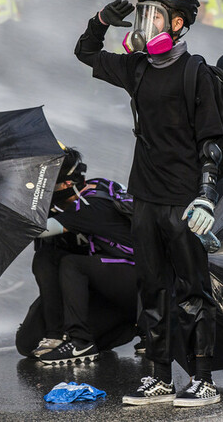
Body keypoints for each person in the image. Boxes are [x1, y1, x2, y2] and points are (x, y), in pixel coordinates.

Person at [75, 0, 223, 407]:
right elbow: (85, 53)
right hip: (145, 196)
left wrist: (206, 196)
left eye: (154, 15)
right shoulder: (137, 68)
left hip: (185, 200)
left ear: (177, 23)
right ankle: (160, 378)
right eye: (143, 14)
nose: (145, 23)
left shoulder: (198, 73)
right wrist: (100, 21)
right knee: (152, 288)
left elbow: (212, 142)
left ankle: (203, 380)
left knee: (194, 291)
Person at [19, 148, 139, 365]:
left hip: (137, 285)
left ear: (66, 185)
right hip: (108, 282)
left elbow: (36, 230)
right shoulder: (95, 185)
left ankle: (82, 342)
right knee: (27, 343)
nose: (43, 192)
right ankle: (56, 335)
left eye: (47, 187)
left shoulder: (89, 206)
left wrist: (6, 217)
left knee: (72, 264)